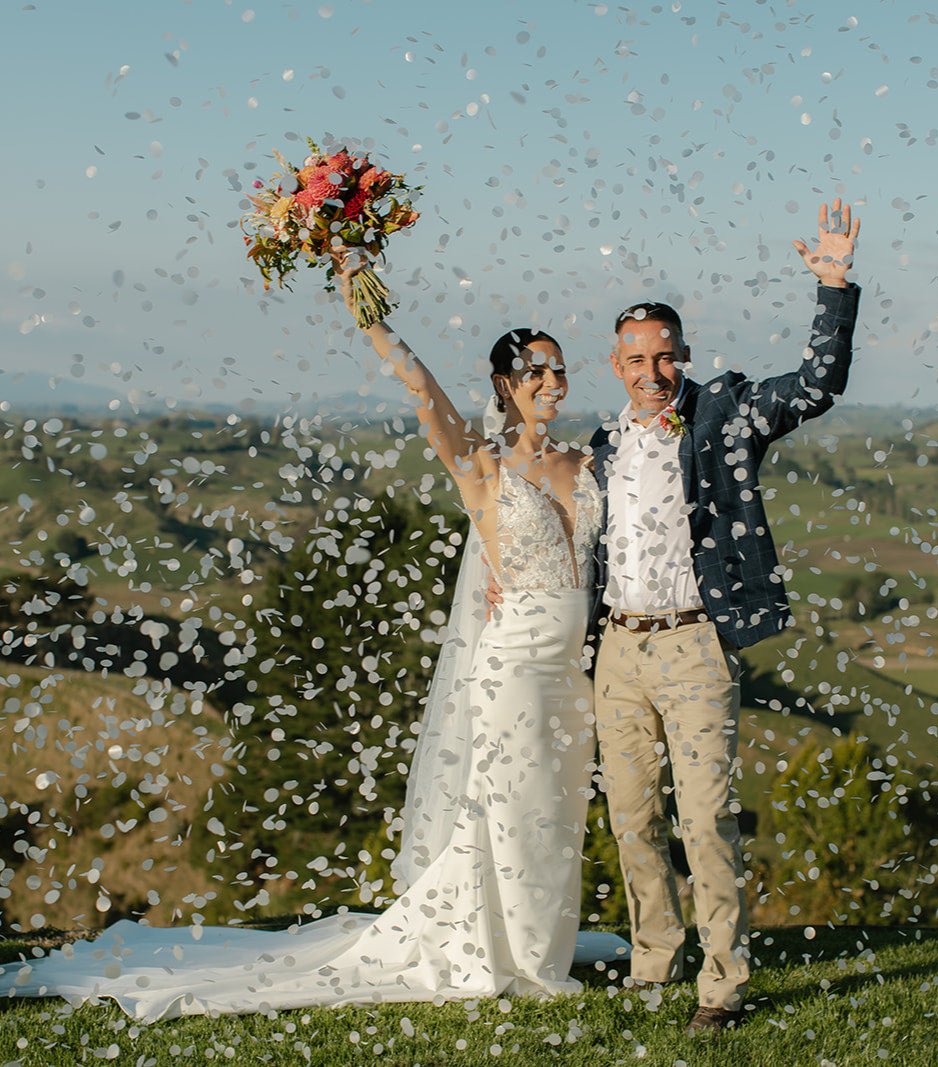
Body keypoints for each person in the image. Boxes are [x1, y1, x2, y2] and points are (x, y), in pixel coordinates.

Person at [0, 281, 627, 1021]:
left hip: (571, 673)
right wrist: (367, 303)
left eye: (559, 370)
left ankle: (540, 942)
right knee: (510, 806)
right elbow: (421, 390)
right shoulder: (480, 465)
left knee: (556, 809)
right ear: (504, 384)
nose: (552, 382)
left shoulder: (588, 464)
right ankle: (512, 957)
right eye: (535, 370)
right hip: (513, 667)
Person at [589, 199, 861, 1035]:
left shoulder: (726, 415)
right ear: (616, 363)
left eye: (666, 355)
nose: (653, 370)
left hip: (694, 643)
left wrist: (833, 285)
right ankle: (653, 958)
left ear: (685, 355)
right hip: (617, 651)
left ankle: (723, 983)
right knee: (632, 820)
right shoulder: (601, 446)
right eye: (638, 357)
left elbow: (816, 386)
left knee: (705, 819)